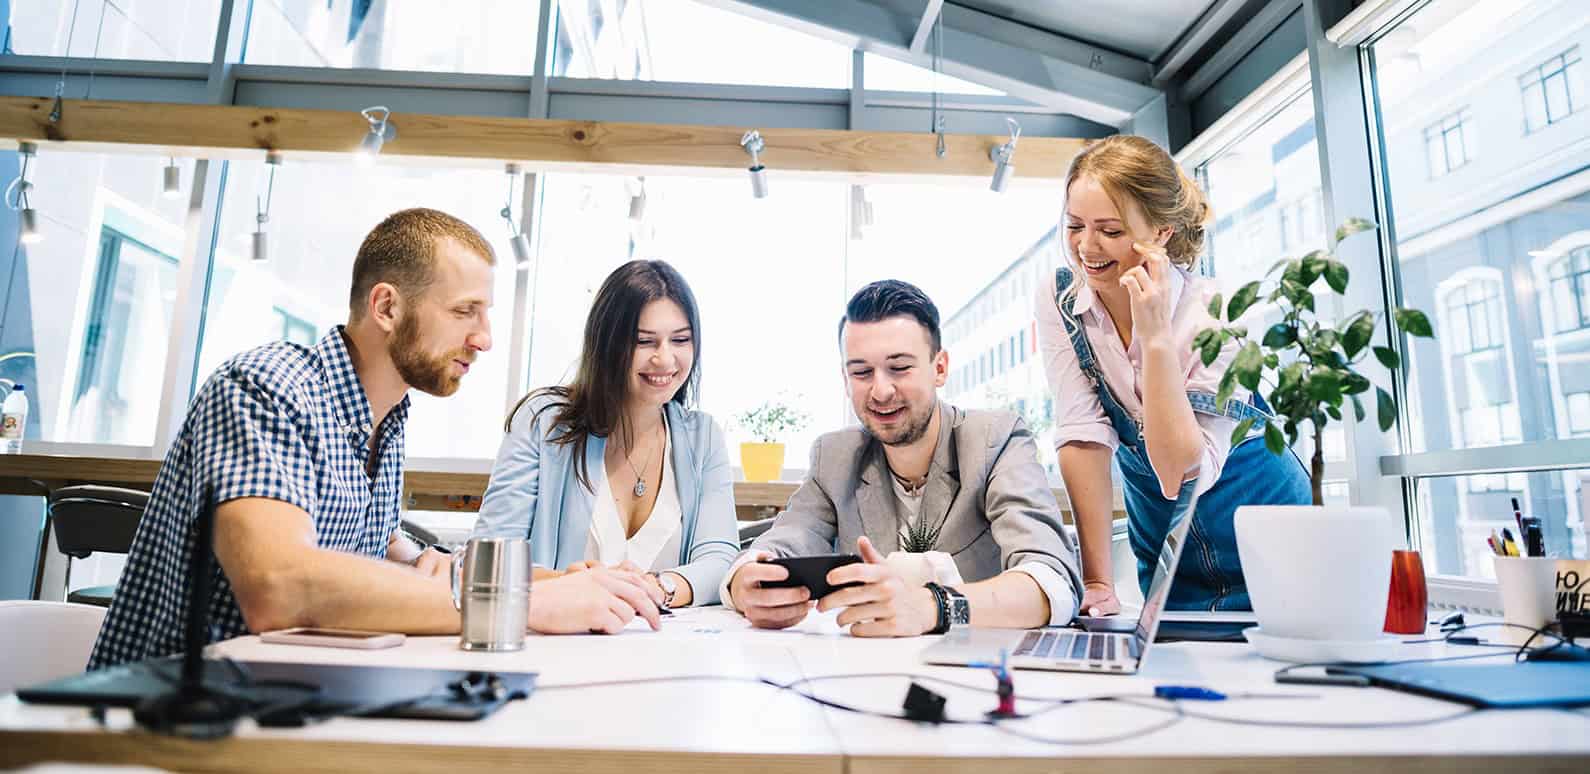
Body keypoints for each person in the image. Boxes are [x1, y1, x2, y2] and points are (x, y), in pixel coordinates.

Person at [89, 208, 661, 670]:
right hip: (171, 724)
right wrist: (524, 604)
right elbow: (279, 587)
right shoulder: (266, 386)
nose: (484, 340)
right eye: (466, 312)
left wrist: (556, 582)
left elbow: (379, 555)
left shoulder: (384, 416)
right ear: (386, 306)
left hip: (284, 700)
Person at [1035, 135, 1310, 615]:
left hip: (1271, 544)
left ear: (1161, 233)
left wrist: (1156, 337)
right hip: (1168, 554)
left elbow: (1178, 473)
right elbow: (1082, 435)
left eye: (1111, 231)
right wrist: (1098, 582)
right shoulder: (1062, 299)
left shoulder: (1215, 317)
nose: (1086, 246)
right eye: (1075, 225)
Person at [723, 280, 1082, 636]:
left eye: (899, 368)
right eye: (861, 372)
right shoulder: (834, 457)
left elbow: (1052, 582)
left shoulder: (996, 439)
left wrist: (933, 607)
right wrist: (744, 582)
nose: (880, 390)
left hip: (979, 671)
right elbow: (784, 541)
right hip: (865, 672)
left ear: (939, 368)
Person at [472, 260, 738, 608]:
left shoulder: (703, 437)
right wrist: (571, 586)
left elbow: (719, 558)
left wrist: (660, 587)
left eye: (680, 340)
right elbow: (489, 557)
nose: (665, 358)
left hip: (664, 647)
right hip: (558, 644)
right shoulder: (544, 422)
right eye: (644, 341)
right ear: (608, 343)